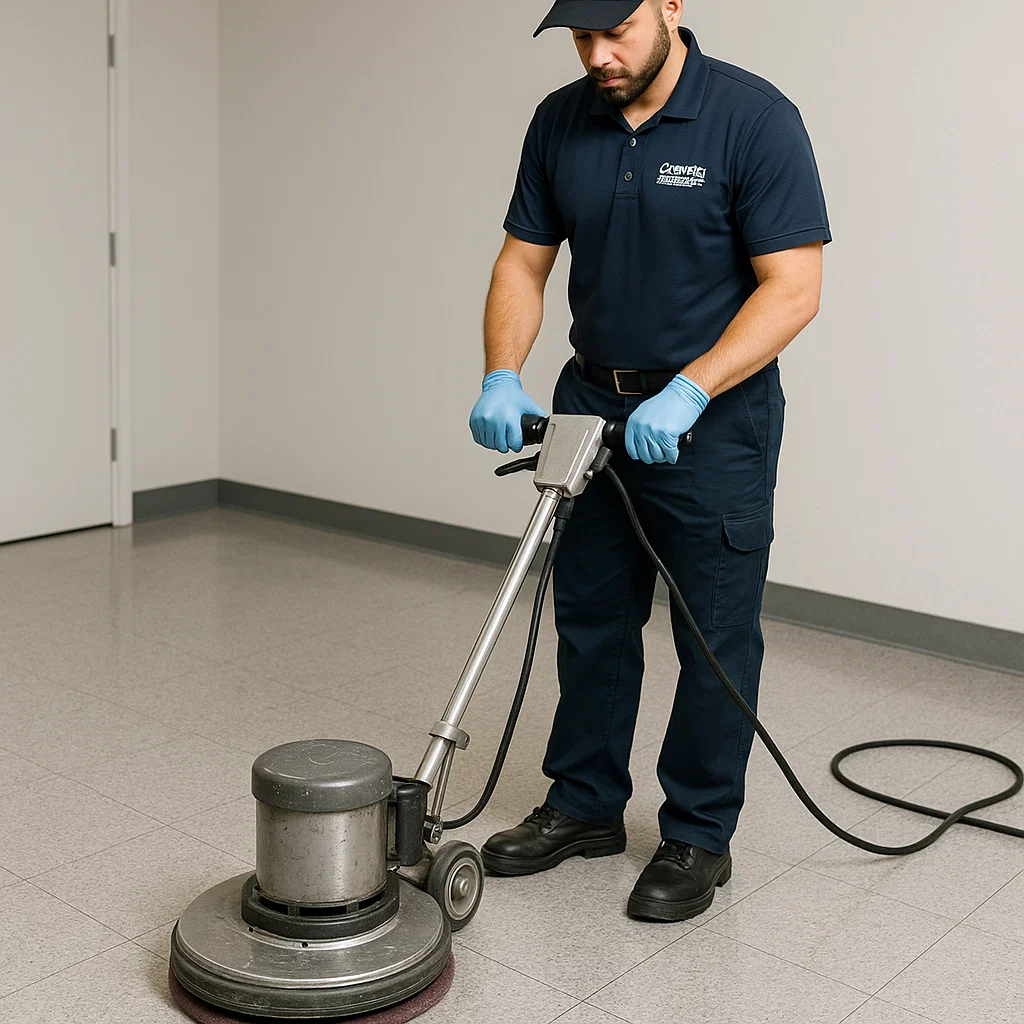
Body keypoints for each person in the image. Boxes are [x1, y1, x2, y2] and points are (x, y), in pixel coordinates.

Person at [468, 0, 830, 922]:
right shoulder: (561, 120)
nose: (599, 55)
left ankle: (699, 836)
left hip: (711, 417)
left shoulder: (754, 119)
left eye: (616, 31)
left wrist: (694, 388)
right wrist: (503, 375)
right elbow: (522, 263)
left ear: (670, 6)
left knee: (712, 634)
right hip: (591, 401)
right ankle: (586, 804)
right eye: (582, 38)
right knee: (591, 614)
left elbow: (794, 288)